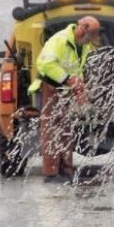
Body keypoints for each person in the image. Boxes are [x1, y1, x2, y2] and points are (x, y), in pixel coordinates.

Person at [28, 16, 100, 182]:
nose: (92, 40)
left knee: (66, 131)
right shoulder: (59, 40)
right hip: (51, 88)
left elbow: (77, 68)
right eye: (92, 35)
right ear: (82, 29)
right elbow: (46, 65)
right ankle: (52, 173)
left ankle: (66, 172)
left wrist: (79, 88)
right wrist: (68, 79)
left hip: (66, 90)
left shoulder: (83, 46)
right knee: (52, 131)